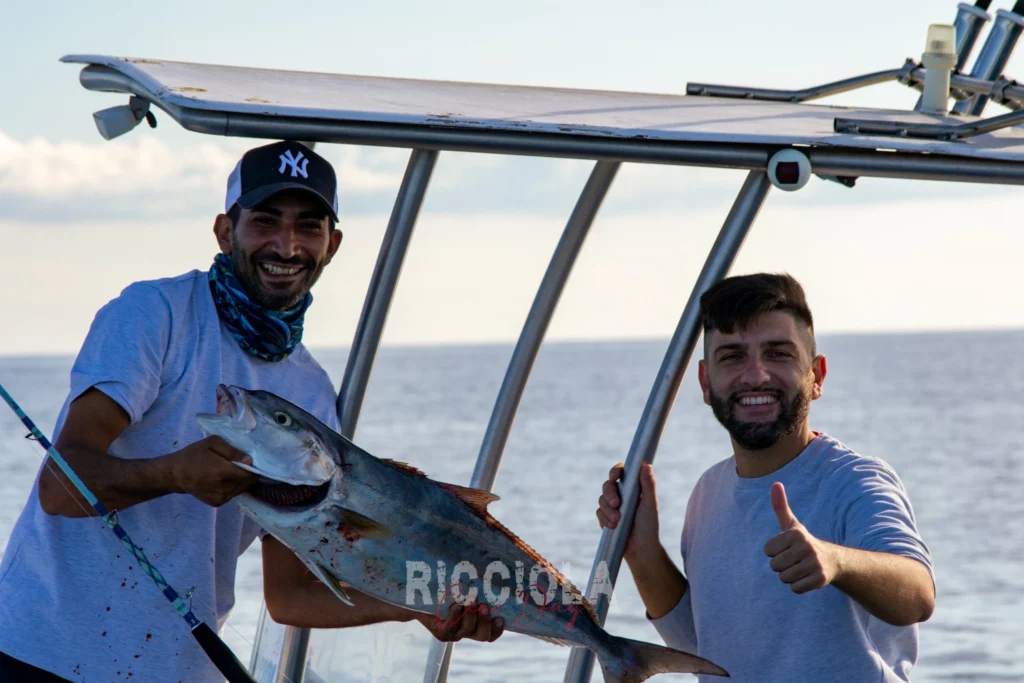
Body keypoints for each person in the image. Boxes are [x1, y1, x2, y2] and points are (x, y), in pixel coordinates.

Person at [0, 140, 503, 683]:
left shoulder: (310, 391)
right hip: (37, 656)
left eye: (309, 227)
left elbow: (289, 595)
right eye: (265, 221)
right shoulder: (153, 314)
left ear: (332, 244)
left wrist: (418, 609)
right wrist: (173, 474)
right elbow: (60, 485)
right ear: (224, 231)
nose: (286, 245)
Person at [596, 273, 935, 682]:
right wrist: (643, 552)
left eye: (777, 354)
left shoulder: (854, 480)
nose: (755, 376)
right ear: (706, 382)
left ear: (817, 376)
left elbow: (917, 594)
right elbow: (706, 651)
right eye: (733, 357)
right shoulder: (708, 493)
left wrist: (835, 561)